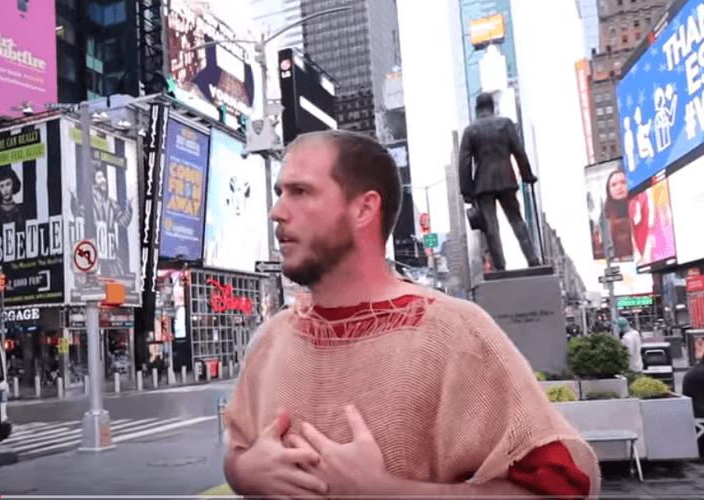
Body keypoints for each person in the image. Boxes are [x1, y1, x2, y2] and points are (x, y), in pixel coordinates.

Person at [223, 130, 598, 499]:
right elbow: (238, 451)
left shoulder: (455, 333)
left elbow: (565, 487)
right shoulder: (272, 340)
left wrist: (389, 492)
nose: (277, 212)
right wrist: (245, 472)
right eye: (280, 194)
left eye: (300, 192)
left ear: (364, 208)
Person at [458, 92, 541, 271]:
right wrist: (527, 175)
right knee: (517, 220)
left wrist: (467, 191)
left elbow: (464, 163)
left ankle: (500, 266)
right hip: (506, 179)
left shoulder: (471, 130)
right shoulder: (505, 124)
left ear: (477, 109)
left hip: (483, 184)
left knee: (491, 227)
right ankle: (532, 258)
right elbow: (519, 151)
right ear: (492, 106)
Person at [0, 166, 25, 239]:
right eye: (2, 186)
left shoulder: (21, 209)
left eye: (8, 184)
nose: (5, 190)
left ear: (14, 185)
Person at [602, 169, 633, 260]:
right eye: (614, 185)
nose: (619, 187)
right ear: (608, 190)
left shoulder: (640, 203)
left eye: (623, 182)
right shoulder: (604, 215)